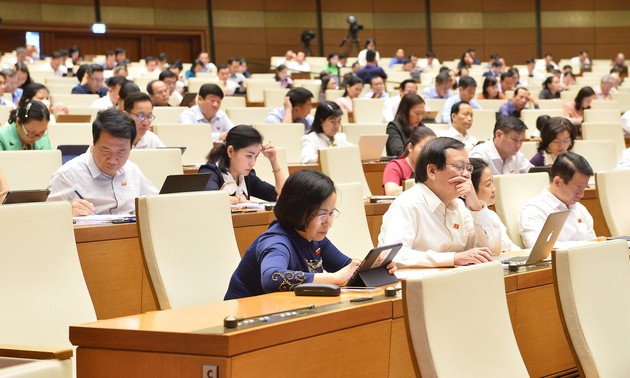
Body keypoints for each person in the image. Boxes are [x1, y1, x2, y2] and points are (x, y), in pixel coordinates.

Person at [224, 170, 391, 299]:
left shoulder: (315, 238)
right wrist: (333, 278)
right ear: (298, 210)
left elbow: (347, 269)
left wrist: (379, 269)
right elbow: (272, 278)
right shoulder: (276, 241)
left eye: (331, 213)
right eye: (321, 214)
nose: (328, 222)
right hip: (242, 319)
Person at [378, 137, 501, 268]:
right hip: (415, 285)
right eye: (459, 167)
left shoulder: (458, 205)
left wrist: (476, 207)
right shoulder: (407, 203)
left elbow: (492, 251)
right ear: (432, 171)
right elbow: (394, 256)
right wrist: (453, 258)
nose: (466, 175)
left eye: (468, 168)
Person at [47, 108, 158, 216]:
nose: (113, 160)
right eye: (106, 151)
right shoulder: (67, 175)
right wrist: (66, 215)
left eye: (121, 152)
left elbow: (156, 202)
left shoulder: (132, 170)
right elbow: (46, 217)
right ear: (94, 143)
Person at [520, 152, 602, 249]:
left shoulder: (580, 209)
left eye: (584, 188)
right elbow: (538, 248)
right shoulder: (534, 209)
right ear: (557, 182)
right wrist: (587, 244)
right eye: (577, 188)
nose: (581, 194)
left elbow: (593, 245)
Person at [199, 125, 286, 204]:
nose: (253, 163)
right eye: (249, 156)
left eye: (256, 156)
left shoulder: (248, 177)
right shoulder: (209, 172)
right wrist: (239, 199)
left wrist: (274, 161)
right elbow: (212, 200)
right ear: (231, 151)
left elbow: (284, 198)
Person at [469, 158, 519, 252]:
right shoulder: (467, 218)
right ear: (471, 189)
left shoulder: (492, 214)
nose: (494, 189)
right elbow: (493, 251)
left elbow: (511, 247)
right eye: (488, 184)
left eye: (492, 182)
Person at [382, 127, 435, 196]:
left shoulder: (432, 168)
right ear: (410, 147)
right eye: (424, 148)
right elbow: (391, 192)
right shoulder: (395, 166)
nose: (428, 153)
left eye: (432, 150)